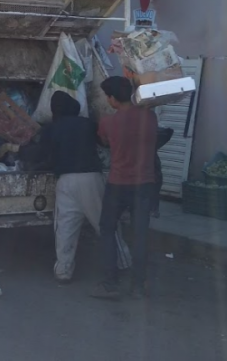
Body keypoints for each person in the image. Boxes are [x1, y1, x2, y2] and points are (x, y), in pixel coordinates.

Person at [35, 91, 131, 283]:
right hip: (91, 179)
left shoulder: (50, 128)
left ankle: (63, 270)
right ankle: (123, 262)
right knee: (105, 224)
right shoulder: (87, 124)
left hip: (65, 181)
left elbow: (41, 156)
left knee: (65, 228)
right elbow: (104, 143)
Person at [92, 76, 157, 301]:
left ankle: (110, 283)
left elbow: (104, 142)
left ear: (111, 99)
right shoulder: (150, 117)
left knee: (107, 229)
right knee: (140, 234)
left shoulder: (108, 123)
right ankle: (139, 286)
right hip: (145, 184)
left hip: (118, 184)